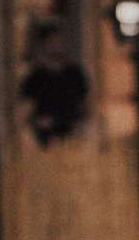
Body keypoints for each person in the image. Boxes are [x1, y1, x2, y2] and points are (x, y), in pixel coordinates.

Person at [18, 19, 90, 147]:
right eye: (52, 41)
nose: (57, 45)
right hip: (45, 141)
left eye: (60, 41)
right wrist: (37, 123)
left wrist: (81, 127)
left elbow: (85, 105)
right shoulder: (35, 76)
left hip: (72, 139)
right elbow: (26, 110)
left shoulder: (74, 73)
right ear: (43, 44)